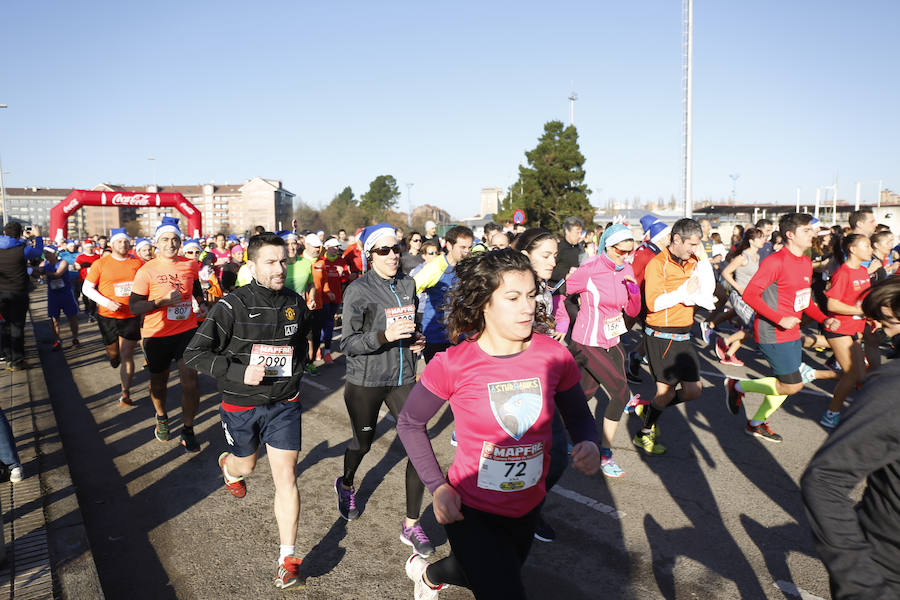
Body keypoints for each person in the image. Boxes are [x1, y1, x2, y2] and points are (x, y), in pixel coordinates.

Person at [397, 249, 601, 600]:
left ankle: (429, 573)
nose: (528, 307)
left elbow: (580, 415)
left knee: (480, 571)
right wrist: (438, 487)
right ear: (483, 305)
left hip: (527, 505)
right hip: (470, 508)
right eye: (513, 297)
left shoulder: (555, 356)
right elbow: (410, 422)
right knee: (504, 589)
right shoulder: (453, 364)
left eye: (531, 295)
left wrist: (589, 442)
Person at [184, 232, 308, 590]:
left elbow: (300, 344)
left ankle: (287, 559)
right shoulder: (232, 306)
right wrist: (240, 372)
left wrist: (296, 375)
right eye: (271, 262)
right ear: (251, 265)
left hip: (284, 403)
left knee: (287, 477)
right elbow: (194, 354)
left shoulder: (295, 302)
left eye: (283, 260)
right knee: (247, 465)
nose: (280, 268)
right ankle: (229, 466)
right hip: (240, 405)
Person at [335, 224, 435, 557]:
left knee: (419, 446)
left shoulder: (408, 283)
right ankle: (347, 483)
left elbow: (411, 324)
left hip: (403, 377)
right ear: (370, 255)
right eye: (384, 250)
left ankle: (411, 524)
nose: (393, 255)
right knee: (362, 443)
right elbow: (347, 343)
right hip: (365, 379)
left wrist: (416, 338)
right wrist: (385, 337)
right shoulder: (358, 290)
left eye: (397, 248)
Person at [800, 276, 900, 600]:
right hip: (885, 574)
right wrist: (860, 584)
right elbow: (824, 480)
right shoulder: (892, 391)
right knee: (846, 376)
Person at [725, 213, 841, 442]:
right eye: (807, 230)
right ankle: (738, 386)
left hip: (791, 332)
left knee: (788, 383)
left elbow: (804, 300)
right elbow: (750, 294)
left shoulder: (806, 262)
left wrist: (823, 319)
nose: (813, 234)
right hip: (772, 332)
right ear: (790, 234)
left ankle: (756, 423)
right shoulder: (775, 261)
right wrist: (779, 319)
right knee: (793, 385)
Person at [565, 224, 642, 477]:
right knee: (621, 393)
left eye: (631, 251)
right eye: (622, 251)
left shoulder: (627, 268)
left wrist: (633, 292)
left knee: (585, 392)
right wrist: (565, 320)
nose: (627, 256)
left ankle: (557, 431)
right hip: (586, 341)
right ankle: (605, 454)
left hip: (612, 338)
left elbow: (632, 312)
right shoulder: (589, 269)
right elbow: (563, 292)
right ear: (608, 246)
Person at [129, 217, 207, 451]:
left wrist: (200, 303)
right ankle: (162, 416)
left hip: (186, 330)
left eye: (175, 239)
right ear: (156, 243)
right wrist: (159, 301)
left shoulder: (189, 264)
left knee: (191, 382)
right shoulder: (146, 270)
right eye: (165, 239)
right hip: (157, 334)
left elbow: (195, 286)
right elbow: (134, 307)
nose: (171, 244)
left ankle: (188, 429)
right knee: (159, 384)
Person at [636, 218, 712, 455]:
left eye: (697, 245)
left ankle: (649, 410)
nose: (694, 249)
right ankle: (644, 432)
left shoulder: (693, 260)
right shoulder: (657, 264)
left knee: (694, 390)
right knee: (665, 392)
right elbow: (654, 303)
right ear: (676, 239)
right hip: (661, 335)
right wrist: (683, 292)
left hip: (683, 335)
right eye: (691, 244)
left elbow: (707, 290)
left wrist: (704, 257)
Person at [82, 228, 144, 406]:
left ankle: (125, 392)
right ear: (112, 244)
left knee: (127, 354)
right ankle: (112, 356)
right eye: (119, 241)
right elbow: (86, 289)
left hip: (130, 315)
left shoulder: (137, 263)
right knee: (114, 352)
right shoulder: (100, 264)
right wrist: (106, 302)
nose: (123, 244)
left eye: (125, 241)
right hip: (107, 315)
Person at [819, 234, 872, 429]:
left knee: (859, 376)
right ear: (852, 249)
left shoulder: (864, 272)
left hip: (856, 329)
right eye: (866, 246)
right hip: (839, 329)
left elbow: (862, 301)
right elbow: (832, 304)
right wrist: (860, 311)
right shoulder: (844, 272)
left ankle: (812, 373)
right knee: (850, 374)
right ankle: (831, 413)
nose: (870, 250)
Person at [414, 225, 474, 362]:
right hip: (436, 337)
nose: (467, 252)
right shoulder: (436, 267)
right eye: (462, 247)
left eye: (469, 248)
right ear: (449, 246)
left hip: (461, 336)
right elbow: (410, 290)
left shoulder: (468, 267)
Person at [713, 227, 766, 365]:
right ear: (751, 241)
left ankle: (729, 355)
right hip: (739, 296)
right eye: (760, 238)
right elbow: (726, 273)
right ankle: (724, 341)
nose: (763, 240)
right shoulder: (743, 257)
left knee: (749, 328)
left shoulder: (757, 256)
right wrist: (738, 287)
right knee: (753, 327)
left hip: (752, 296)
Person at [0, 223, 43, 369]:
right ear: (20, 233)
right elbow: (38, 252)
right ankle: (18, 361)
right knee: (17, 326)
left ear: (4, 232)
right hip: (18, 293)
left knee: (5, 325)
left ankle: (7, 356)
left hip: (1, 293)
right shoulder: (22, 249)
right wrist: (38, 236)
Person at [312, 238, 347, 364]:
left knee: (329, 324)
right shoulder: (321, 261)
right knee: (322, 324)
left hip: (336, 297)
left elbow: (345, 279)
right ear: (327, 247)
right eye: (334, 247)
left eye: (338, 247)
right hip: (322, 298)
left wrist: (343, 274)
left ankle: (327, 351)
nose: (337, 249)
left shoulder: (341, 261)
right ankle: (318, 349)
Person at [40, 244, 81, 350]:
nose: (46, 255)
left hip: (66, 294)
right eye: (45, 253)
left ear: (54, 254)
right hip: (53, 295)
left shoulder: (63, 262)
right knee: (54, 320)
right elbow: (37, 273)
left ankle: (75, 338)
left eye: (48, 253)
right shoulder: (44, 263)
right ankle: (57, 341)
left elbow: (57, 274)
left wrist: (43, 272)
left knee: (71, 318)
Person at [300, 234, 324, 374]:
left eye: (319, 246)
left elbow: (324, 283)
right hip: (302, 306)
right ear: (306, 245)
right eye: (315, 246)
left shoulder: (322, 262)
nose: (318, 249)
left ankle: (310, 362)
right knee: (302, 336)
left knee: (315, 336)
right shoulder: (299, 262)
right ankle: (301, 362)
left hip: (319, 305)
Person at [75, 239, 101, 321]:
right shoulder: (80, 257)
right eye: (87, 247)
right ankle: (87, 307)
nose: (89, 249)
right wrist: (82, 266)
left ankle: (92, 313)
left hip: (95, 279)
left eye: (90, 247)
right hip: (83, 279)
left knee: (93, 297)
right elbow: (76, 266)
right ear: (85, 248)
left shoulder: (97, 256)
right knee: (85, 296)